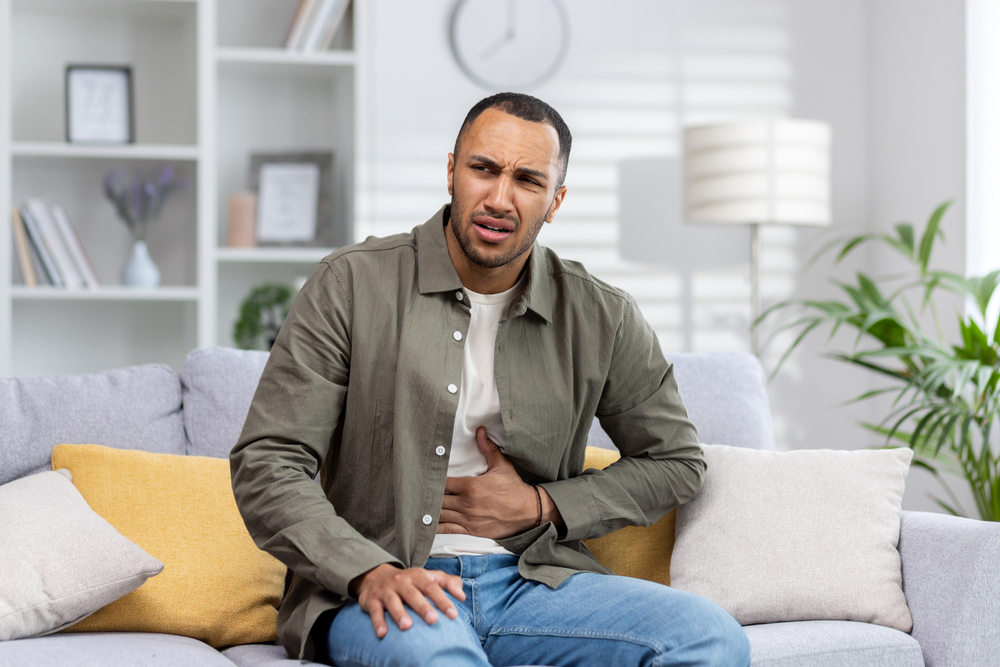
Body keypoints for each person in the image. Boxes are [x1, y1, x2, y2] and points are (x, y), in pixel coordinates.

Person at [231, 92, 751, 667]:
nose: (499, 199)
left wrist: (542, 505)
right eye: (483, 168)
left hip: (534, 583)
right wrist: (367, 572)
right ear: (451, 170)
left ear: (555, 201)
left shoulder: (603, 314)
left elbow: (677, 462)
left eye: (528, 180)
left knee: (709, 636)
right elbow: (268, 460)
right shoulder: (350, 283)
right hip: (384, 584)